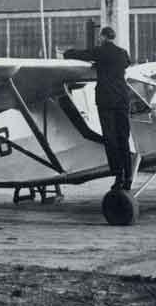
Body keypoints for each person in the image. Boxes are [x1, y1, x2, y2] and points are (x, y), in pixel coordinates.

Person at [64, 26, 132, 190]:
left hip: (106, 100)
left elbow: (81, 54)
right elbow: (127, 63)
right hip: (122, 98)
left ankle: (118, 174)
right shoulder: (122, 53)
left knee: (110, 138)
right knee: (123, 137)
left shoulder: (101, 52)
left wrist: (67, 53)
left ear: (102, 37)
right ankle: (128, 176)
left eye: (100, 37)